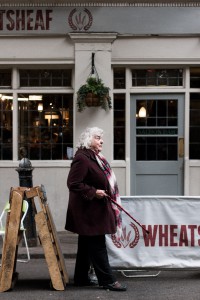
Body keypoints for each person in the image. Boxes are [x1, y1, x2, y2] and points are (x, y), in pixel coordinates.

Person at [65, 127, 127, 292]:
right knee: (98, 245)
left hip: (91, 210)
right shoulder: (82, 159)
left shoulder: (94, 157)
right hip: (88, 212)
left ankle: (81, 278)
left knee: (86, 245)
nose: (101, 141)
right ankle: (108, 280)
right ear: (88, 139)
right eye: (98, 138)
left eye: (101, 138)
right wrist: (94, 192)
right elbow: (73, 183)